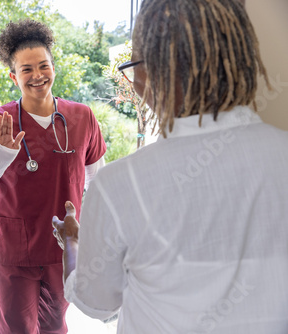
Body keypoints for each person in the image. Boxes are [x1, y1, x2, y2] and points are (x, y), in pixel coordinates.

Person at [52, 0, 288, 333]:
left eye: (133, 67)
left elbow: (96, 302)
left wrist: (73, 245)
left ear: (154, 71)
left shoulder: (121, 184)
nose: (133, 82)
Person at [0, 19, 107, 333]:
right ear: (13, 76)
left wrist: (93, 237)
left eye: (43, 65)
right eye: (26, 69)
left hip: (62, 249)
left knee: (55, 329)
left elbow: (98, 185)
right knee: (17, 329)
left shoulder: (82, 117)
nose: (37, 76)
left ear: (53, 67)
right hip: (14, 250)